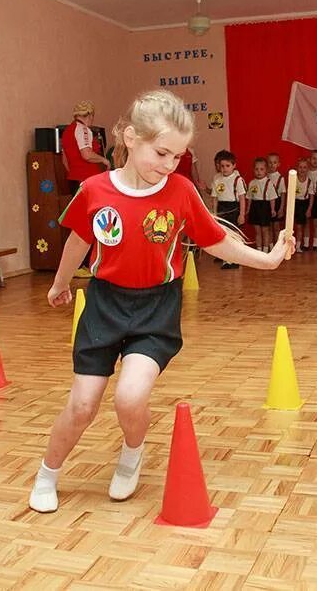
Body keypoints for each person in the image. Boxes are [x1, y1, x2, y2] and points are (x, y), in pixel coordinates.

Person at [28, 90, 293, 513]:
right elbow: (79, 240)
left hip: (156, 308)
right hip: (104, 305)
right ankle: (47, 473)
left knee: (129, 398)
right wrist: (60, 284)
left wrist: (267, 260)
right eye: (162, 153)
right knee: (82, 405)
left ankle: (131, 457)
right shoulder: (94, 190)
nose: (169, 166)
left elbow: (217, 240)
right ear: (130, 138)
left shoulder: (181, 191)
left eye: (178, 157)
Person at [61, 101, 111, 278]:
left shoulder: (67, 132)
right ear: (88, 115)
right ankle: (85, 263)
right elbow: (86, 154)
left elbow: (65, 160)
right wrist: (104, 161)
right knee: (90, 222)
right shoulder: (83, 130)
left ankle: (80, 263)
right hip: (86, 179)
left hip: (75, 178)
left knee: (80, 221)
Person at [211, 150, 247, 269]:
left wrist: (241, 214)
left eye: (227, 166)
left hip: (233, 208)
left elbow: (242, 199)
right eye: (222, 166)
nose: (224, 169)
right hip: (222, 208)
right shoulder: (217, 179)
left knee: (234, 235)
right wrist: (215, 213)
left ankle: (235, 259)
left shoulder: (238, 180)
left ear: (234, 165)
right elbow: (215, 198)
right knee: (223, 234)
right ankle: (226, 257)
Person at [246, 157, 278, 251]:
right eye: (256, 169)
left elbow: (272, 198)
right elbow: (249, 198)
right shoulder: (252, 183)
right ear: (253, 170)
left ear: (266, 170)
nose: (259, 172)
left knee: (265, 230)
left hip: (265, 207)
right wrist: (248, 209)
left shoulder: (269, 183)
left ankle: (266, 249)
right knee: (257, 231)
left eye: (261, 169)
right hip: (254, 207)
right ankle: (259, 250)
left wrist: (272, 209)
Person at [303, 150, 317, 250]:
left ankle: (315, 244)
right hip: (305, 198)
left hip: (316, 199)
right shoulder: (305, 172)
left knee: (316, 223)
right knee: (306, 222)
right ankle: (306, 244)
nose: (315, 161)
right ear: (309, 159)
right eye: (313, 158)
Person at [266, 152, 287, 247]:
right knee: (268, 227)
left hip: (277, 202)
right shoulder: (264, 176)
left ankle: (278, 246)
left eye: (274, 162)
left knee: (276, 227)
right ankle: (270, 246)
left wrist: (281, 208)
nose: (272, 165)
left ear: (278, 164)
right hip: (266, 203)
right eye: (270, 162)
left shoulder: (280, 178)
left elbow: (283, 194)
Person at [293, 157, 311, 252]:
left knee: (303, 225)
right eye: (300, 167)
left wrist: (309, 208)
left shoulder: (309, 182)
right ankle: (294, 246)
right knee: (295, 226)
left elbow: (311, 197)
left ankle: (302, 245)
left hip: (304, 204)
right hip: (295, 203)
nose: (302, 169)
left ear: (307, 169)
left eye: (304, 167)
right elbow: (290, 194)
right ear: (297, 168)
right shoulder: (293, 179)